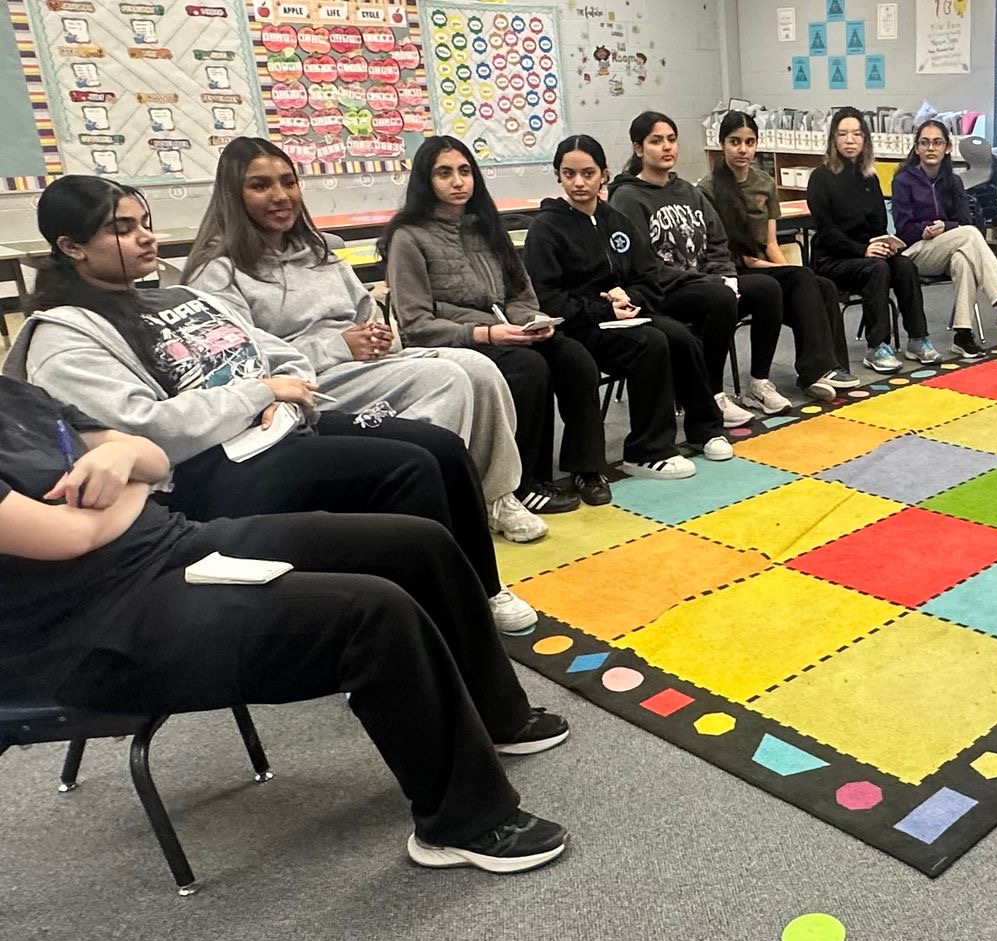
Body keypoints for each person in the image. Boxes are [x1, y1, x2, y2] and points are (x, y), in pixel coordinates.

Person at [0, 380, 571, 875]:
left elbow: (153, 460)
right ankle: (461, 824)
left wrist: (123, 463)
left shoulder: (15, 395)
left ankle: (500, 717)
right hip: (89, 630)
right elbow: (66, 538)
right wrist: (126, 477)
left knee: (418, 544)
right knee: (370, 614)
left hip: (169, 544)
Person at [5, 174, 541, 635]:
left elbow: (281, 356)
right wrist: (256, 395)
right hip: (214, 470)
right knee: (410, 464)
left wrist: (281, 395)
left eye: (144, 222)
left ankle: (478, 591)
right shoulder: (64, 333)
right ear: (73, 247)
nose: (146, 237)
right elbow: (145, 431)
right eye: (122, 229)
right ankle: (431, 615)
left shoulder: (178, 296)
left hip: (280, 426)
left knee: (440, 446)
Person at [183, 137, 549, 543]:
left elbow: (366, 313)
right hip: (306, 384)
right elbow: (239, 365)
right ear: (233, 195)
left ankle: (495, 495)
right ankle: (425, 505)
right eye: (260, 185)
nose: (280, 196)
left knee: (480, 368)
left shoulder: (317, 250)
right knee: (446, 379)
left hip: (362, 365)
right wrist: (339, 347)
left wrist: (377, 336)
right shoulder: (219, 273)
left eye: (288, 182)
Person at [380, 134, 611, 512]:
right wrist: (485, 333)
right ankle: (522, 483)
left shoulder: (487, 227)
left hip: (507, 332)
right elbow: (415, 323)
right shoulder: (408, 238)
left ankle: (587, 468)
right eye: (444, 173)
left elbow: (521, 295)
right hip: (454, 342)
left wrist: (533, 322)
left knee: (573, 356)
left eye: (465, 171)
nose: (457, 182)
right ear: (426, 180)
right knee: (528, 369)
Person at [522, 134, 725, 478]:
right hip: (580, 327)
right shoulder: (546, 228)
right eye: (569, 174)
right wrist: (603, 309)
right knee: (651, 344)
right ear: (558, 175)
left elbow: (649, 275)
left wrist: (630, 299)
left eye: (588, 173)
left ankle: (704, 428)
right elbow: (546, 297)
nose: (579, 182)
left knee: (680, 337)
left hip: (626, 316)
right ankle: (646, 450)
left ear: (604, 174)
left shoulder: (617, 221)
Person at [698, 110, 860, 407]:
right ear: (722, 145)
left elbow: (771, 243)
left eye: (749, 142)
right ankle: (817, 370)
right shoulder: (708, 189)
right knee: (802, 278)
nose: (743, 149)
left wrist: (792, 273)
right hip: (736, 272)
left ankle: (830, 368)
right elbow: (739, 257)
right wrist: (791, 276)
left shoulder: (765, 183)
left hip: (766, 268)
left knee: (821, 284)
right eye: (735, 142)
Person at [606, 110, 754, 429]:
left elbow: (717, 238)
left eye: (671, 140)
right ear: (639, 149)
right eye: (656, 141)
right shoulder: (627, 198)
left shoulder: (688, 191)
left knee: (767, 290)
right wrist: (712, 281)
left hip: (702, 281)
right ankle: (710, 392)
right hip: (661, 291)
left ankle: (760, 383)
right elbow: (643, 265)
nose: (666, 147)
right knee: (719, 299)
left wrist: (725, 273)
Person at [806, 107, 942, 372]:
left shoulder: (870, 176)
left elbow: (879, 222)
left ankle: (917, 338)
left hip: (866, 254)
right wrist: (864, 250)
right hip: (832, 259)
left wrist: (885, 244)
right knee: (877, 268)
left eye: (856, 134)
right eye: (843, 134)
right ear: (833, 139)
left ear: (865, 139)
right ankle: (877, 346)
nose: (850, 140)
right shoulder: (820, 178)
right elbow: (827, 232)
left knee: (904, 265)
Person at [892, 118, 997, 359]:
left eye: (937, 142)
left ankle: (963, 334)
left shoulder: (954, 181)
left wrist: (945, 227)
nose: (931, 148)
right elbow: (903, 229)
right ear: (917, 148)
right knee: (969, 236)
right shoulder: (903, 181)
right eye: (925, 143)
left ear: (947, 148)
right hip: (915, 252)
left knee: (963, 258)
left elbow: (963, 222)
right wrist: (925, 230)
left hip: (949, 248)